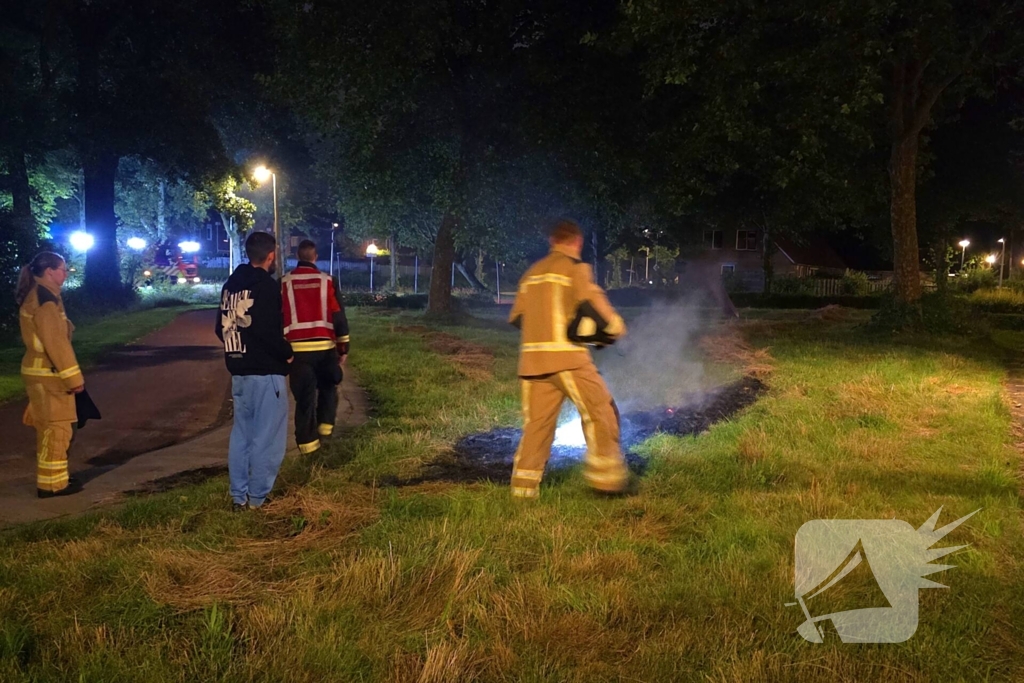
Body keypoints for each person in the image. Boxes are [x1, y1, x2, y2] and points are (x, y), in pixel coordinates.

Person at [507, 219, 629, 499]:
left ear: (552, 241)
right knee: (601, 411)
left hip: (532, 364)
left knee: (536, 427)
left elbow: (517, 317)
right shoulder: (576, 269)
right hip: (568, 360)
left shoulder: (532, 273)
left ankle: (523, 490)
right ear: (577, 242)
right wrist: (613, 331)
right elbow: (601, 312)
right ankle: (606, 481)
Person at [215, 231, 294, 510]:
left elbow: (220, 327)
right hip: (265, 373)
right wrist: (287, 353)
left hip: (239, 371)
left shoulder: (231, 285)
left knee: (242, 436)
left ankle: (239, 496)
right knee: (268, 439)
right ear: (271, 256)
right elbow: (268, 331)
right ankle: (259, 499)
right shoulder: (267, 287)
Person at [16, 252, 85, 498]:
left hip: (40, 372)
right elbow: (56, 343)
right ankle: (53, 486)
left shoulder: (42, 294)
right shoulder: (45, 300)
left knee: (49, 428)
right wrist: (74, 380)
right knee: (58, 428)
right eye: (62, 269)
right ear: (49, 272)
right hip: (49, 374)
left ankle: (55, 480)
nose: (66, 273)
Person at [281, 239, 350, 454]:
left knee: (304, 399)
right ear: (315, 257)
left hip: (297, 352)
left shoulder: (283, 283)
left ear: (298, 257)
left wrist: (281, 351)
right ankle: (325, 434)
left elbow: (277, 317)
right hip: (325, 349)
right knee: (329, 388)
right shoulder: (327, 281)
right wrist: (343, 348)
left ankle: (308, 448)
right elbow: (338, 317)